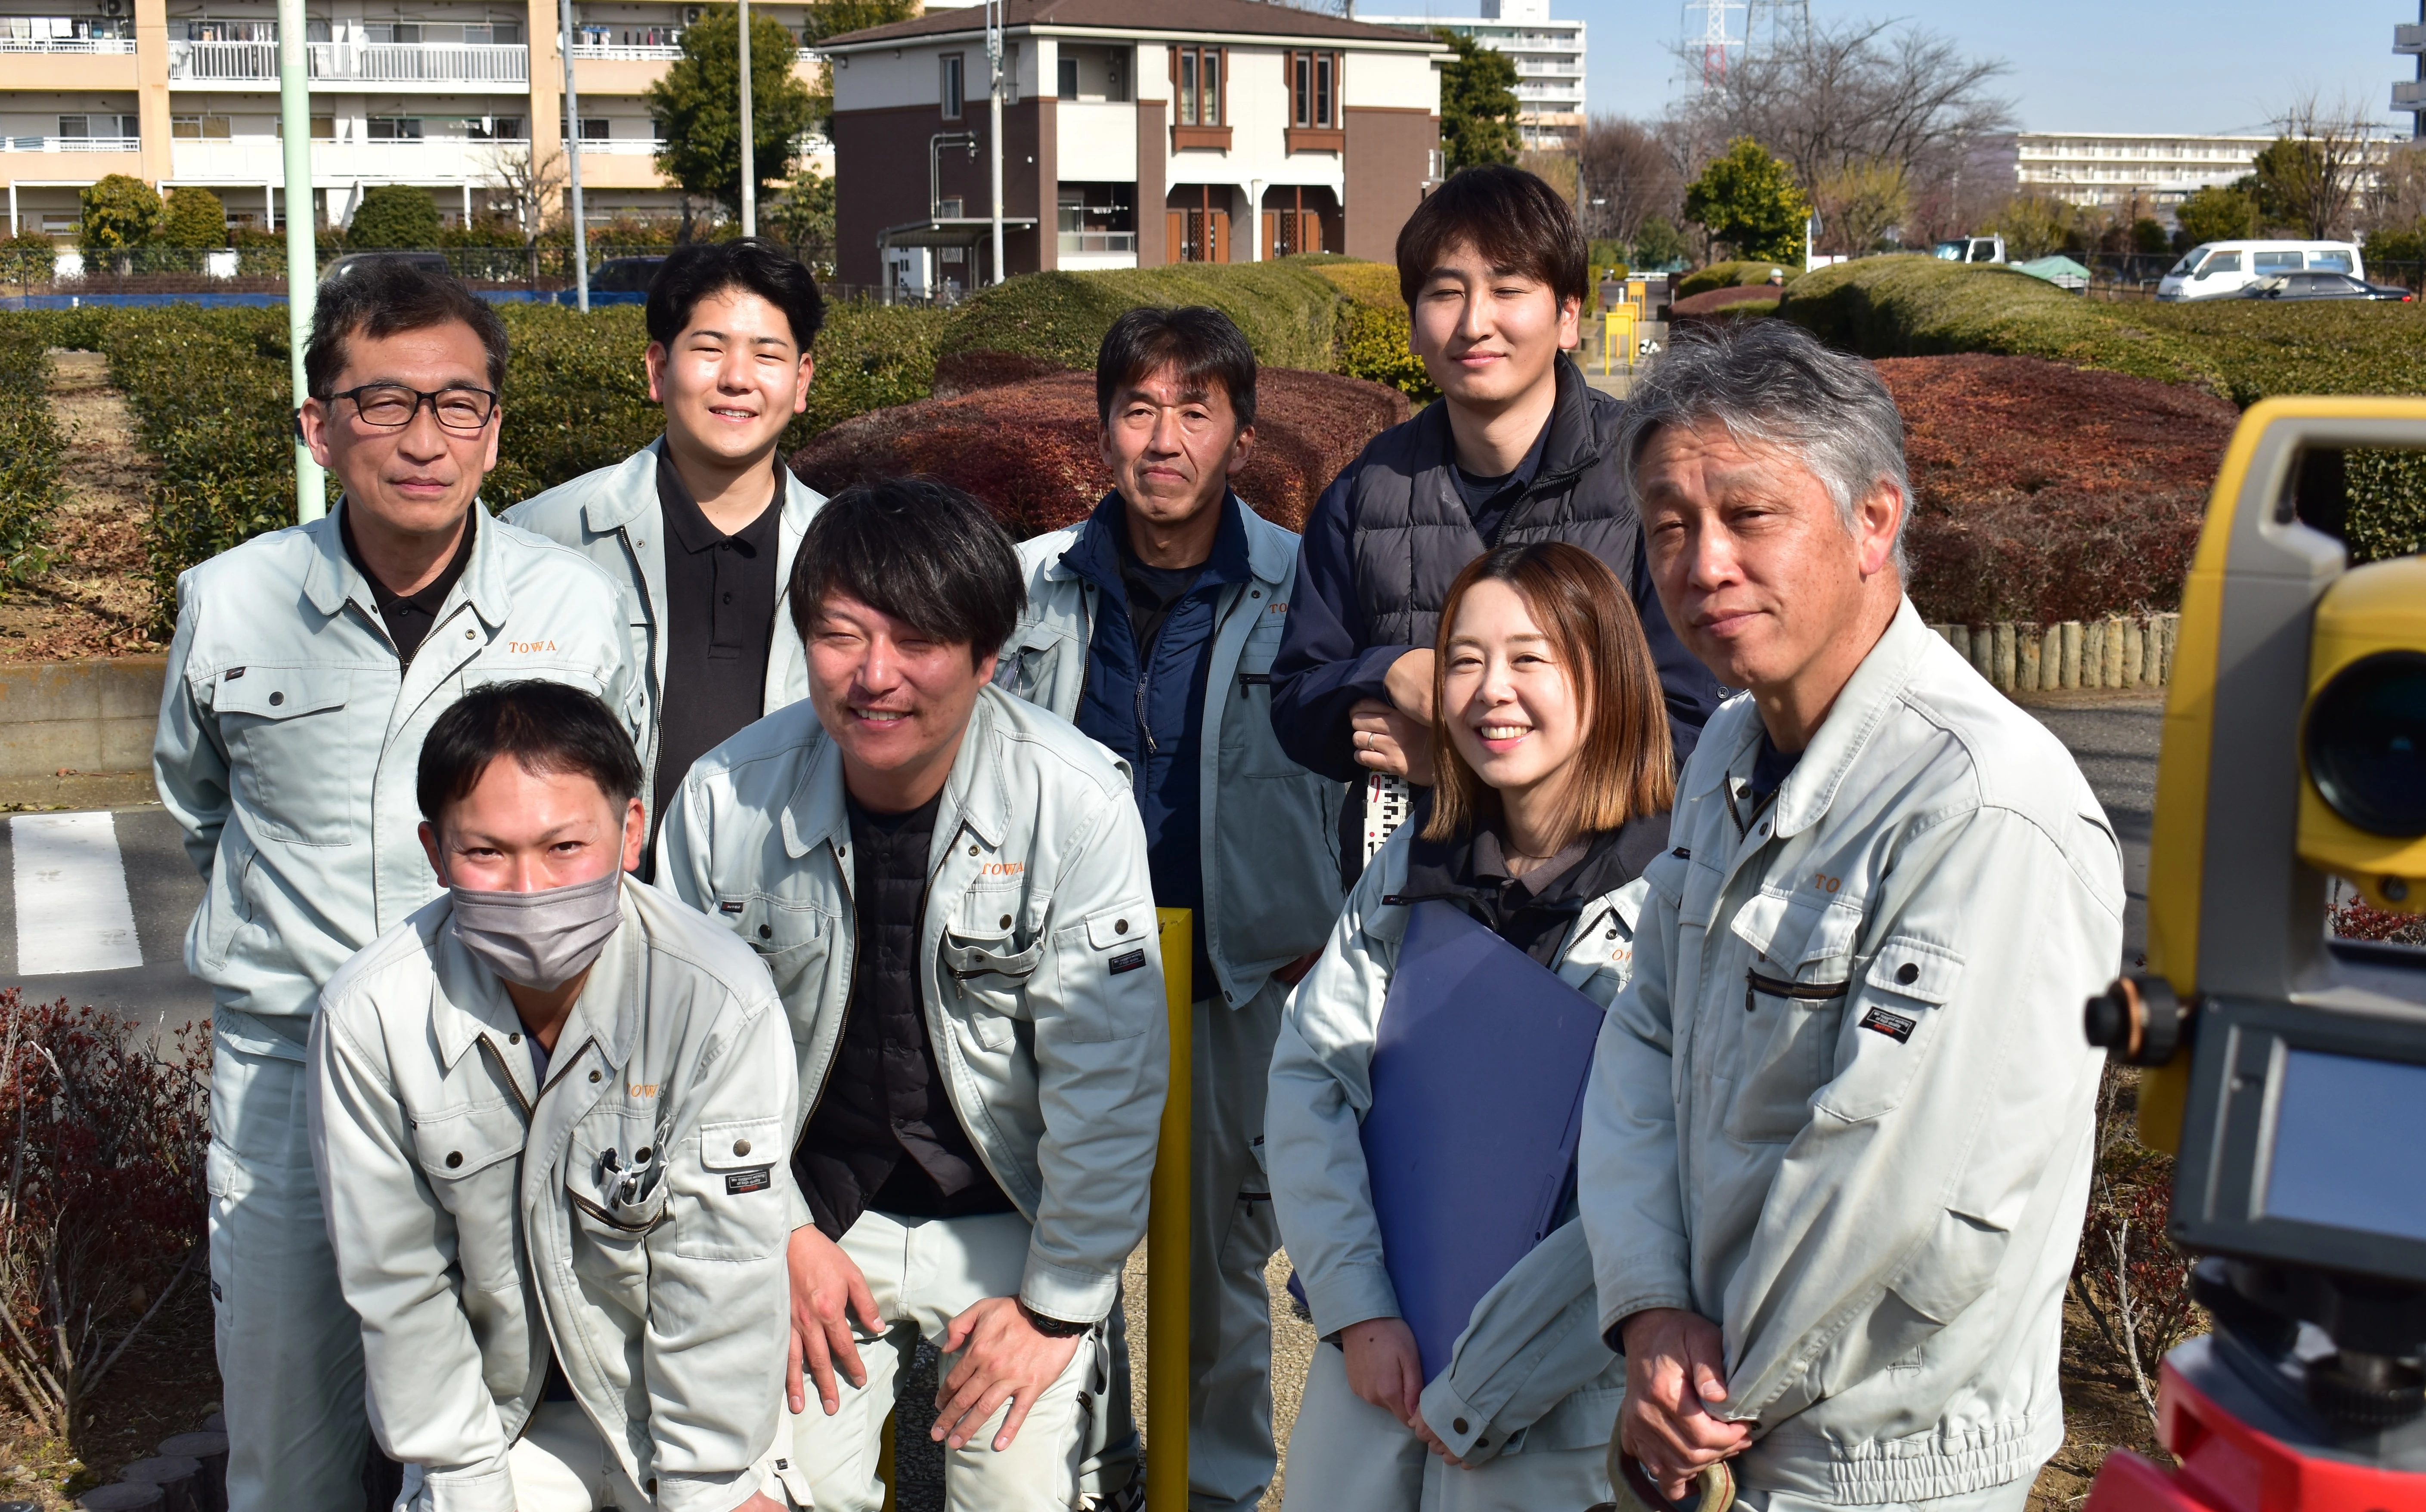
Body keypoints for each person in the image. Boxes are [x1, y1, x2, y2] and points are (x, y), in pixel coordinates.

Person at [1579, 321, 2124, 1512]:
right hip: (1717, 1408)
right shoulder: (1730, 744)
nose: (1701, 563)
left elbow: (1888, 1177)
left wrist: (1701, 1407)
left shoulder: (1982, 806)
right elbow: (1644, 1039)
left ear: (1874, 521)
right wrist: (1650, 1310)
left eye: (1746, 515)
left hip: (1882, 1453)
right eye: (1668, 527)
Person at [152, 258, 643, 1512]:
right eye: (384, 404)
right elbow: (199, 804)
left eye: (458, 405)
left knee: (506, 1430)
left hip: (503, 1066)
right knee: (288, 1438)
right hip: (288, 1072)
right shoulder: (229, 603)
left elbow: (609, 828)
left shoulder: (575, 610)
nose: (424, 439)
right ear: (320, 427)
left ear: (494, 428)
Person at [656, 479, 1169, 1512]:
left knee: (1018, 1487)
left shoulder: (1072, 800)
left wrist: (1058, 1309)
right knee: (764, 1487)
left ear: (988, 659)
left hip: (1007, 1212)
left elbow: (1106, 1083)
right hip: (806, 1209)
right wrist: (780, 1230)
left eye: (919, 640)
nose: (875, 676)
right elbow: (682, 1061)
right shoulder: (724, 797)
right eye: (842, 636)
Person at [993, 305, 1343, 1512]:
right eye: (1138, 409)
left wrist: (1327, 930)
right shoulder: (1031, 586)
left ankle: (1219, 1489)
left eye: (1194, 411)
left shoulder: (1305, 588)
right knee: (1058, 1255)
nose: (1163, 439)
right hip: (1056, 983)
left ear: (1240, 433)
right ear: (1101, 430)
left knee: (1215, 1264)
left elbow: (1366, 781)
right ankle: (1090, 1475)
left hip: (1236, 977)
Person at [309, 681, 806, 1512]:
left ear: (632, 831)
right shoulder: (372, 1015)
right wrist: (464, 1485)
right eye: (486, 853)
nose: (530, 889)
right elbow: (398, 1285)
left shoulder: (716, 996)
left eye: (566, 847)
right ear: (434, 853)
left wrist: (712, 1484)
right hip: (498, 1428)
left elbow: (717, 1264)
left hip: (676, 1415)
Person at [1267, 541, 1675, 1511]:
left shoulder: (1677, 901)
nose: (1493, 690)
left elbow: (1657, 1188)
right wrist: (1359, 1307)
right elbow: (1310, 1078)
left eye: (1531, 658)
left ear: (1607, 676)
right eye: (1464, 658)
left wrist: (1485, 1381)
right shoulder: (1416, 864)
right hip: (1380, 1364)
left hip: (1555, 1405)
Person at [1268, 164, 1720, 884]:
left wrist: (1463, 761)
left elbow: (1693, 724)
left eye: (1508, 290)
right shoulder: (1365, 490)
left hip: (1611, 907)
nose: (1474, 321)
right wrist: (1387, 672)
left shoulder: (1647, 480)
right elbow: (1296, 698)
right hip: (1414, 903)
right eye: (1446, 292)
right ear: (1415, 321)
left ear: (1569, 315)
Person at [504, 238, 827, 864]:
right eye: (709, 349)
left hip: (786, 917)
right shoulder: (543, 537)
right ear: (658, 369)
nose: (737, 378)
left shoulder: (846, 552)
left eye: (767, 354)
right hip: (596, 913)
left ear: (801, 379)